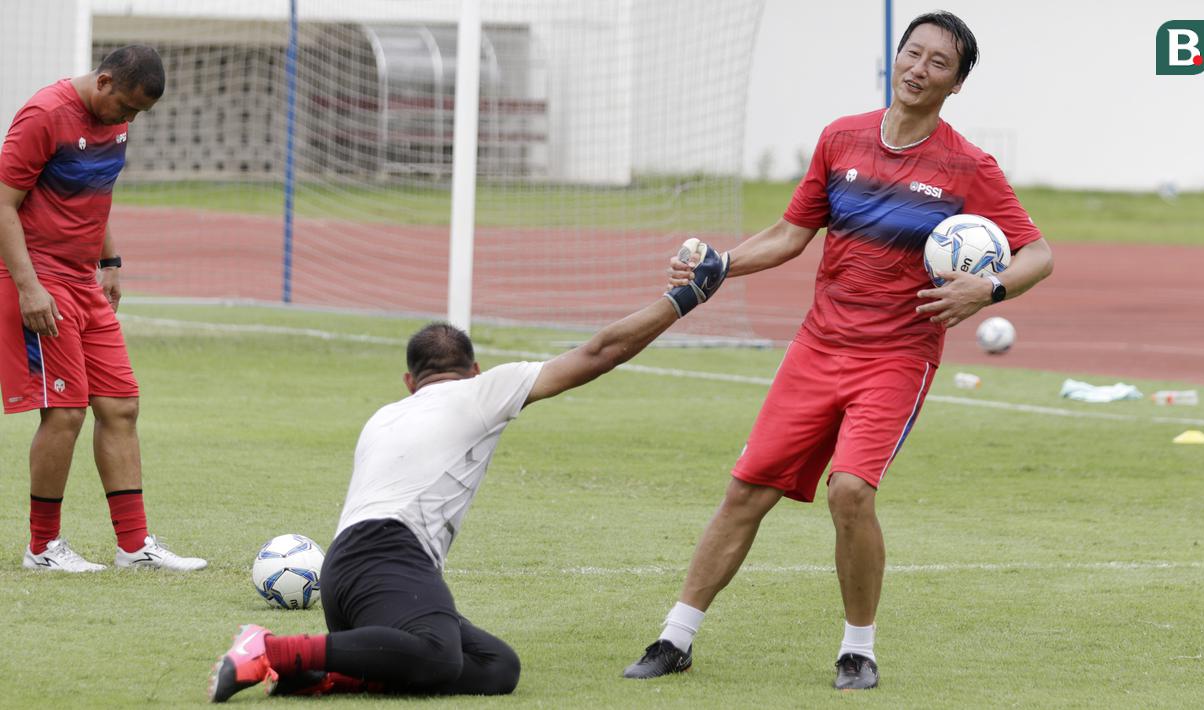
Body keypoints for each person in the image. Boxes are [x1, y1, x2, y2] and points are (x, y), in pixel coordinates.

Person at [621, 11, 1054, 691]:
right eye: (912, 53)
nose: (919, 68)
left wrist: (986, 290)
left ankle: (858, 650)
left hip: (896, 358)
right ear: (896, 59)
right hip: (817, 348)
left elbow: (1038, 252)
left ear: (957, 83)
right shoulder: (840, 138)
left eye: (938, 62)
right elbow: (790, 234)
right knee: (744, 493)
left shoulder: (969, 166)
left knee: (849, 492)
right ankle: (675, 637)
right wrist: (719, 265)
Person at [206, 241, 729, 702]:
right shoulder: (481, 392)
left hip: (343, 572)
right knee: (436, 655)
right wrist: (685, 299)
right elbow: (600, 351)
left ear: (410, 381)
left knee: (496, 668)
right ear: (474, 370)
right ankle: (269, 647)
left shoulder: (384, 416)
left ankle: (325, 675)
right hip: (390, 556)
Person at [0, 46, 206, 572]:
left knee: (120, 405)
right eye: (127, 109)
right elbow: (3, 203)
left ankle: (134, 547)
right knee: (65, 411)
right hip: (39, 277)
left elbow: (96, 191)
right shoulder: (46, 114)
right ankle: (42, 548)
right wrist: (27, 288)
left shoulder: (115, 119)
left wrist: (110, 260)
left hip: (84, 279)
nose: (129, 120)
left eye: (139, 114)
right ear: (106, 81)